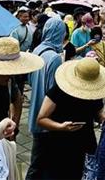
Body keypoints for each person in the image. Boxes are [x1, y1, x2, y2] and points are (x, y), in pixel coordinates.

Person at [30, 58, 105, 179]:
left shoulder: (95, 92)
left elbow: (98, 113)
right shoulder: (60, 90)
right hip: (61, 144)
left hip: (85, 144)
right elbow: (41, 119)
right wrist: (61, 127)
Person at [25, 17, 70, 179]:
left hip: (34, 109)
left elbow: (29, 79)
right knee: (40, 163)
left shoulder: (37, 50)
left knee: (38, 158)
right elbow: (55, 92)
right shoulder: (55, 58)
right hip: (47, 116)